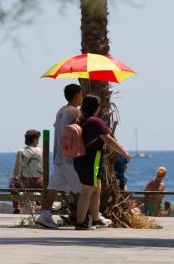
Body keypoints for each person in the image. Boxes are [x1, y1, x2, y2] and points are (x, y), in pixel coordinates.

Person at [36, 84, 101, 228]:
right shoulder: (75, 112)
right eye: (81, 95)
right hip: (71, 157)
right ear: (77, 95)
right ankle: (90, 218)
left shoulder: (60, 111)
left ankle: (44, 215)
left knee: (53, 187)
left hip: (59, 155)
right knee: (87, 189)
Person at [73, 95, 131, 230]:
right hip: (91, 159)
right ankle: (80, 223)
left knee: (96, 190)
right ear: (97, 107)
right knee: (87, 191)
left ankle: (95, 219)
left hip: (82, 158)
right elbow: (109, 140)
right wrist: (124, 153)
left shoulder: (81, 120)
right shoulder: (95, 122)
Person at [10, 130, 43, 214]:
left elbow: (16, 169)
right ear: (35, 139)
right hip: (39, 182)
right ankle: (42, 204)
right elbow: (43, 168)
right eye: (38, 139)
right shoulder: (41, 151)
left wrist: (13, 179)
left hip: (25, 182)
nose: (38, 141)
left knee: (12, 183)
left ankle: (17, 207)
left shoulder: (21, 151)